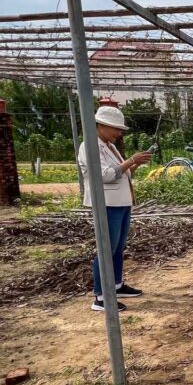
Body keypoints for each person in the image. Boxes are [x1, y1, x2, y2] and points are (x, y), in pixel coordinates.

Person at [78, 106, 152, 313]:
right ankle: (101, 296)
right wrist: (131, 161)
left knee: (118, 247)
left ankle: (117, 286)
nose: (119, 133)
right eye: (115, 128)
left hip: (121, 201)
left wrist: (134, 165)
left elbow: (121, 172)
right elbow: (104, 175)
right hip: (107, 204)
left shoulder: (109, 146)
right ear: (101, 125)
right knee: (106, 249)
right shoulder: (90, 146)